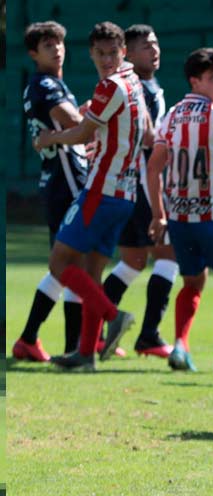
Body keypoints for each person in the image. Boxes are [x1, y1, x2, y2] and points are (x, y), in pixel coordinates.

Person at [37, 21, 150, 372]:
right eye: (100, 53)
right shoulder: (133, 82)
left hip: (101, 190)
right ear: (90, 53)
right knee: (91, 270)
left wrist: (50, 139)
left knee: (59, 263)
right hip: (125, 196)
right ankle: (86, 354)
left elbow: (83, 131)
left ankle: (113, 316)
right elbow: (142, 132)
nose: (106, 59)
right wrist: (101, 135)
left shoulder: (109, 86)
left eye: (112, 53)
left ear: (123, 52)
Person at [147, 47, 213, 374]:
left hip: (179, 218)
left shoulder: (173, 114)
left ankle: (180, 345)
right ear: (195, 80)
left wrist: (158, 213)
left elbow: (153, 167)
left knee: (191, 283)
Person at [98, 24, 178, 359]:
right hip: (143, 183)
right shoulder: (134, 86)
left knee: (132, 260)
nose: (154, 50)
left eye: (156, 44)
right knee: (168, 256)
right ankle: (149, 336)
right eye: (145, 46)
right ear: (128, 53)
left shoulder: (149, 85)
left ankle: (100, 333)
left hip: (132, 183)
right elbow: (147, 140)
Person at [12, 21, 89, 362]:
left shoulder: (48, 84)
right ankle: (70, 343)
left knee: (70, 262)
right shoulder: (45, 84)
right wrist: (96, 117)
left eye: (58, 43)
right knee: (71, 262)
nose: (56, 49)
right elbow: (73, 122)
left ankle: (38, 340)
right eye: (47, 45)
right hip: (65, 178)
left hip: (57, 177)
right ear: (33, 53)